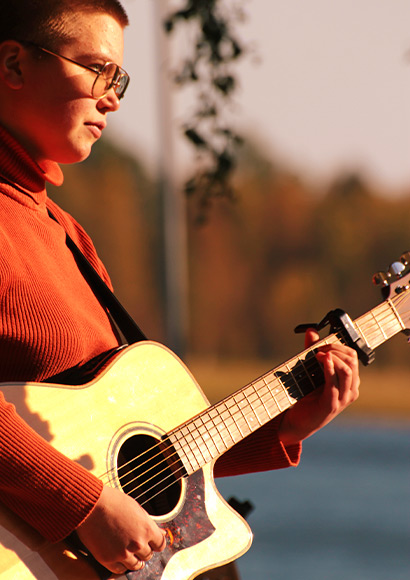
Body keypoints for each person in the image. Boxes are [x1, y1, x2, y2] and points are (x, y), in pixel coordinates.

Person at [0, 0, 360, 576]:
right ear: (14, 65)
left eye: (118, 78)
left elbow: (130, 462)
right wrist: (84, 505)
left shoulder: (67, 236)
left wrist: (286, 426)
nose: (112, 97)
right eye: (95, 69)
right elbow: (98, 493)